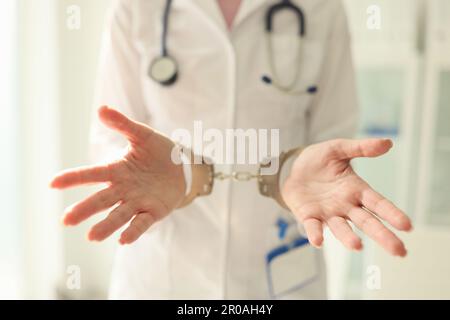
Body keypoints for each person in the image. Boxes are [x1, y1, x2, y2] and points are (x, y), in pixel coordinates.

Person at [51, 0, 412, 299]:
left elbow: (334, 133)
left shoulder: (320, 8)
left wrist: (291, 174)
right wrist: (167, 176)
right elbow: (111, 135)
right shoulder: (135, 7)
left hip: (281, 275)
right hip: (162, 275)